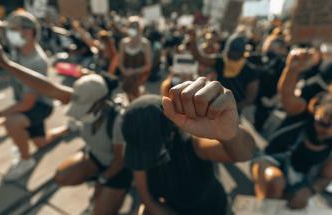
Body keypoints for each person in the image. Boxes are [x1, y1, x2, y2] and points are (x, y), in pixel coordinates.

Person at [0, 47, 133, 215]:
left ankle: (112, 192)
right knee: (62, 177)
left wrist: (102, 181)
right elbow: (45, 86)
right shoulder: (82, 96)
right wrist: (7, 64)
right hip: (96, 157)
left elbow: (120, 162)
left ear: (101, 102)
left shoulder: (119, 120)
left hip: (118, 169)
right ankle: (96, 182)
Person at [122, 77, 257, 215]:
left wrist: (230, 134)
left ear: (170, 134)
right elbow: (148, 200)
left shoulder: (193, 145)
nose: (146, 158)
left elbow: (243, 153)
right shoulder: (137, 152)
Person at [0, 3, 53, 181]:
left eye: (14, 30)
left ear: (29, 32)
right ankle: (67, 128)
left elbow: (28, 104)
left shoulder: (37, 61)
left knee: (11, 122)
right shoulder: (19, 44)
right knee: (42, 143)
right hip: (26, 102)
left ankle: (25, 160)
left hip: (40, 106)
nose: (9, 34)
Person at [251, 92, 332, 210]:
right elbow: (286, 91)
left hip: (298, 182)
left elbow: (325, 177)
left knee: (293, 204)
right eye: (323, 123)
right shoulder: (299, 114)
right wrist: (294, 72)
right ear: (315, 110)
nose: (328, 130)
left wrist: (309, 190)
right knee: (275, 182)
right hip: (267, 162)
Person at [188, 30, 259, 112]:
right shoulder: (221, 61)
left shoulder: (251, 71)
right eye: (231, 50)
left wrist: (232, 109)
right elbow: (199, 58)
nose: (233, 54)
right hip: (214, 104)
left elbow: (250, 98)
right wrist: (192, 39)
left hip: (233, 110)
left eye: (236, 51)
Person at [119, 16, 152, 101]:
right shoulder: (123, 43)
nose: (133, 29)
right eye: (131, 26)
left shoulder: (145, 44)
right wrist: (125, 72)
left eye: (135, 26)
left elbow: (148, 65)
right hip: (127, 78)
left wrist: (134, 72)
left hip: (140, 78)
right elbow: (121, 63)